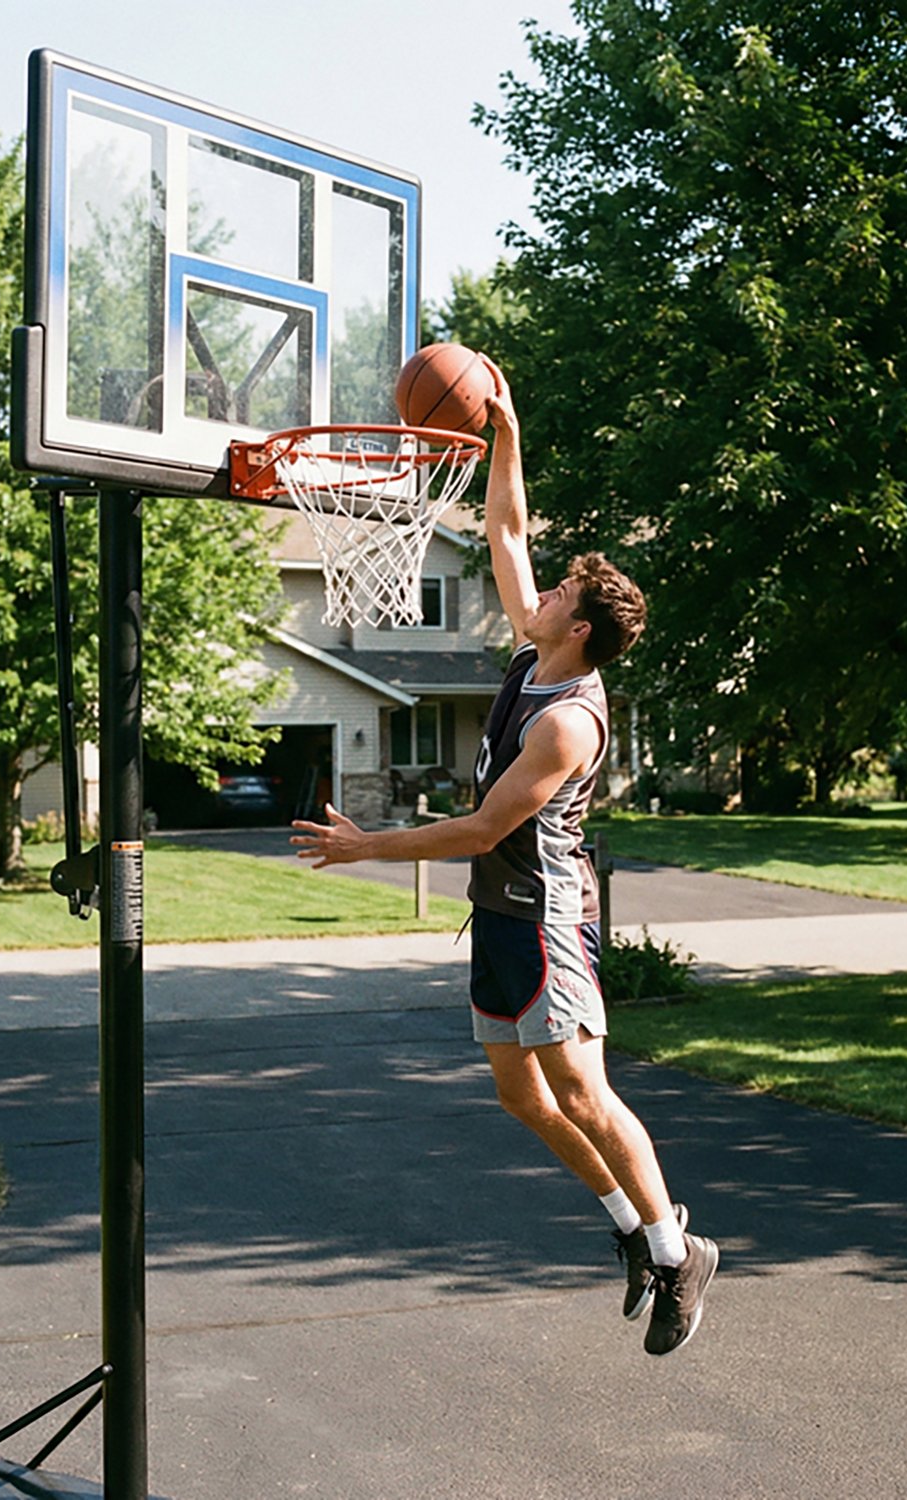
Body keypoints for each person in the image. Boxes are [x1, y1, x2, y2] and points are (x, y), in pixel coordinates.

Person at [290, 360, 717, 1357]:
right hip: (499, 913)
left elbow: (483, 828)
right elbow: (508, 529)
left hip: (545, 919)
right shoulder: (535, 653)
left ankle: (678, 1250)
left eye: (562, 586)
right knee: (520, 1095)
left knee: (584, 1091)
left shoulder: (568, 720)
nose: (542, 581)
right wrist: (504, 432)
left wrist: (366, 847)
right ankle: (629, 1231)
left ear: (577, 626)